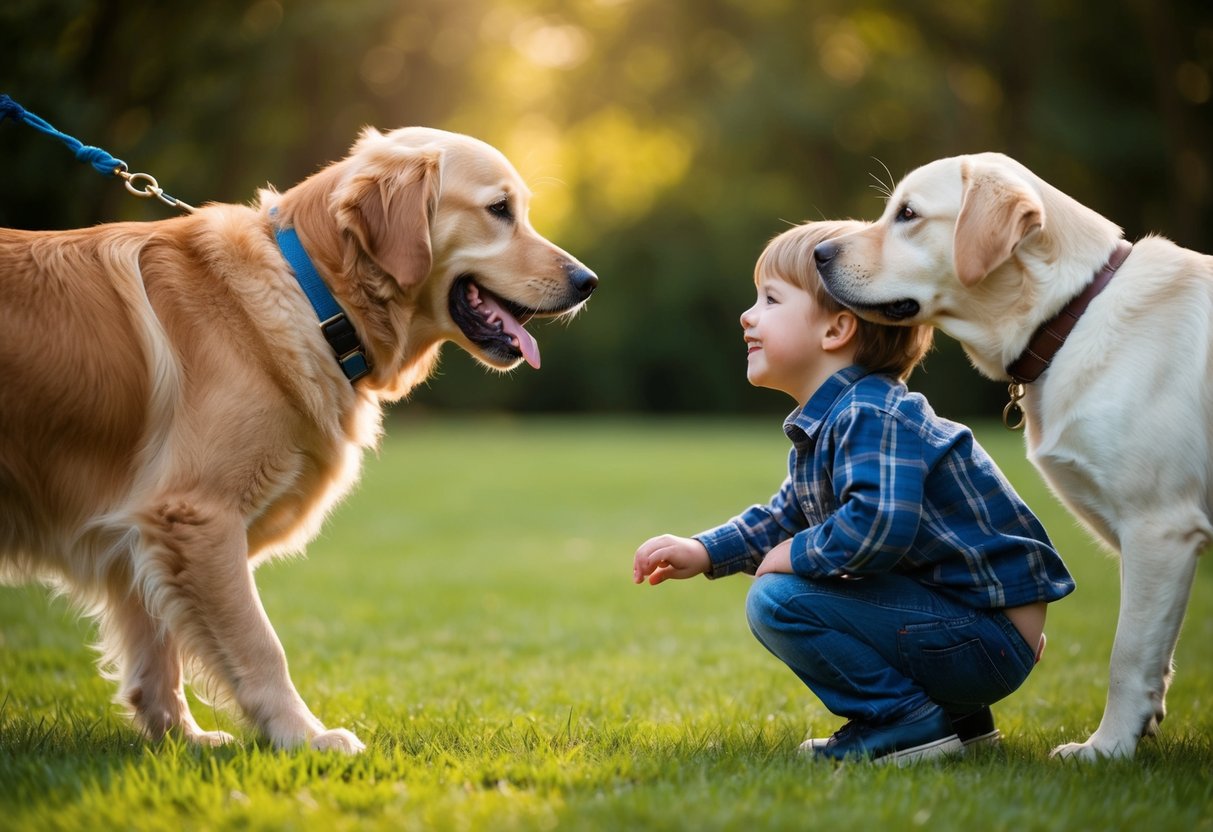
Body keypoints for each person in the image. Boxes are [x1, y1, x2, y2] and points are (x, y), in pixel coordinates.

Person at [632, 219, 1075, 766]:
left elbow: (878, 525)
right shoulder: (838, 417)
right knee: (798, 581)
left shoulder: (870, 412)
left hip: (986, 639)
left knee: (779, 599)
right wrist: (703, 551)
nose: (748, 315)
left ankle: (903, 723)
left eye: (770, 299)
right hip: (979, 630)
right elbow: (787, 514)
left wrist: (789, 556)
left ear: (836, 330)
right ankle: (961, 721)